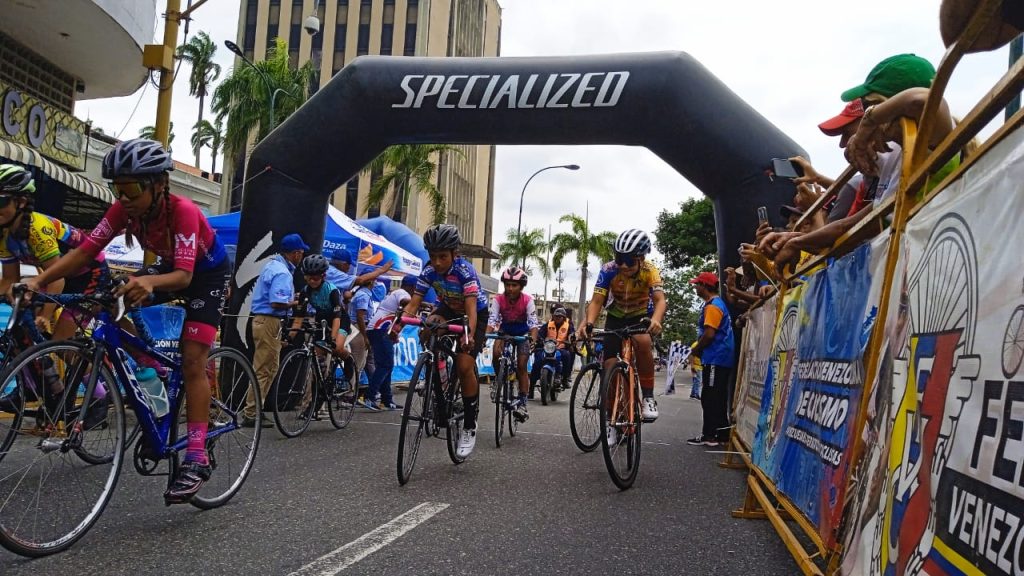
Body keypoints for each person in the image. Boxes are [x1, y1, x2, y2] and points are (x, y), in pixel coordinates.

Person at [24, 138, 232, 504]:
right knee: (113, 299)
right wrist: (40, 281)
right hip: (169, 268)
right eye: (116, 190)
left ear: (158, 184)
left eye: (131, 189)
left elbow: (184, 277)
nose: (123, 197)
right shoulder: (125, 210)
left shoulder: (182, 210)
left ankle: (196, 457)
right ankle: (153, 366)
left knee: (193, 361)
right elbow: (86, 251)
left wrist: (149, 281)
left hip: (205, 274)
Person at [0, 164, 111, 417]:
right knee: (20, 327)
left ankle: (99, 398)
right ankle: (33, 385)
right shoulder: (4, 233)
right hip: (55, 277)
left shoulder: (37, 228)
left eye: (1, 202)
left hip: (90, 275)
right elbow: (9, 280)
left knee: (61, 344)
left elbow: (57, 279)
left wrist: (45, 314)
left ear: (21, 202)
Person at [390, 223, 488, 458]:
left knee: (465, 365)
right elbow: (413, 305)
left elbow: (471, 311)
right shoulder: (428, 271)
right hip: (448, 307)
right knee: (427, 330)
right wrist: (398, 325)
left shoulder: (465, 272)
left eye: (443, 257)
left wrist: (468, 336)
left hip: (473, 312)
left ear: (456, 254)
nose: (437, 262)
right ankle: (438, 373)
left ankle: (469, 424)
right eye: (433, 257)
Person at [578, 229, 667, 440]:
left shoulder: (650, 271)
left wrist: (656, 320)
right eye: (620, 259)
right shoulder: (609, 270)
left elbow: (660, 300)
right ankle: (611, 422)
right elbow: (597, 301)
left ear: (641, 258)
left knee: (643, 342)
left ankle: (647, 397)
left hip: (639, 316)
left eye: (629, 261)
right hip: (616, 317)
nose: (623, 266)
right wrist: (589, 324)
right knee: (609, 367)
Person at [246, 233, 307, 428]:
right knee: (265, 369)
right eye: (301, 252)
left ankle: (254, 409)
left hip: (262, 320)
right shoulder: (282, 272)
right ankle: (251, 411)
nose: (302, 256)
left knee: (266, 367)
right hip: (269, 321)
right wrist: (296, 302)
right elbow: (276, 302)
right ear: (296, 253)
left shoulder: (272, 266)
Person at [294, 253, 349, 418]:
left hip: (339, 320)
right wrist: (289, 336)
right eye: (308, 278)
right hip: (322, 320)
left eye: (316, 278)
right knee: (317, 365)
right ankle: (317, 397)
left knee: (336, 348)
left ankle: (347, 358)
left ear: (323, 276)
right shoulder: (305, 291)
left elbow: (337, 318)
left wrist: (332, 340)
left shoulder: (332, 291)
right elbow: (298, 317)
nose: (312, 281)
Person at [686, 272, 735, 447]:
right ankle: (722, 433)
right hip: (719, 357)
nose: (695, 287)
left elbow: (709, 334)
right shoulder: (715, 303)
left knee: (710, 396)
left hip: (716, 357)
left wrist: (696, 349)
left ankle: (710, 435)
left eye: (697, 284)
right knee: (718, 396)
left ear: (705, 286)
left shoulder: (713, 306)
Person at [487, 266, 541, 421]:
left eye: (514, 285)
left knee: (522, 365)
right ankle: (498, 381)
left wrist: (533, 339)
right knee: (496, 353)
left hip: (523, 333)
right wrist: (486, 334)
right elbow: (492, 320)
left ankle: (523, 403)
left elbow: (533, 324)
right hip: (505, 331)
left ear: (521, 286)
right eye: (507, 284)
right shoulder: (498, 299)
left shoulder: (528, 300)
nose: (510, 288)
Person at [366, 276, 417, 411]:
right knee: (386, 364)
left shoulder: (395, 293)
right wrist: (420, 304)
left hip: (379, 329)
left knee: (386, 366)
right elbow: (405, 302)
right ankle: (370, 396)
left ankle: (386, 399)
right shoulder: (402, 293)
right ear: (412, 287)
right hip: (380, 328)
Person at [531, 306, 571, 395]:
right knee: (537, 359)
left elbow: (572, 335)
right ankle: (531, 387)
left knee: (567, 355)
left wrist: (570, 340)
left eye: (560, 317)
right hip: (547, 348)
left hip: (561, 349)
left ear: (563, 318)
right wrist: (539, 339)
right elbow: (540, 334)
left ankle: (564, 378)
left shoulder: (569, 326)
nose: (557, 318)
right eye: (556, 316)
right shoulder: (548, 325)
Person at [348, 280, 375, 409]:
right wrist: (365, 336)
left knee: (360, 363)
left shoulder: (360, 293)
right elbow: (360, 316)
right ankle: (350, 394)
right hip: (359, 329)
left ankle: (352, 392)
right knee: (357, 363)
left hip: (358, 328)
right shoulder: (363, 295)